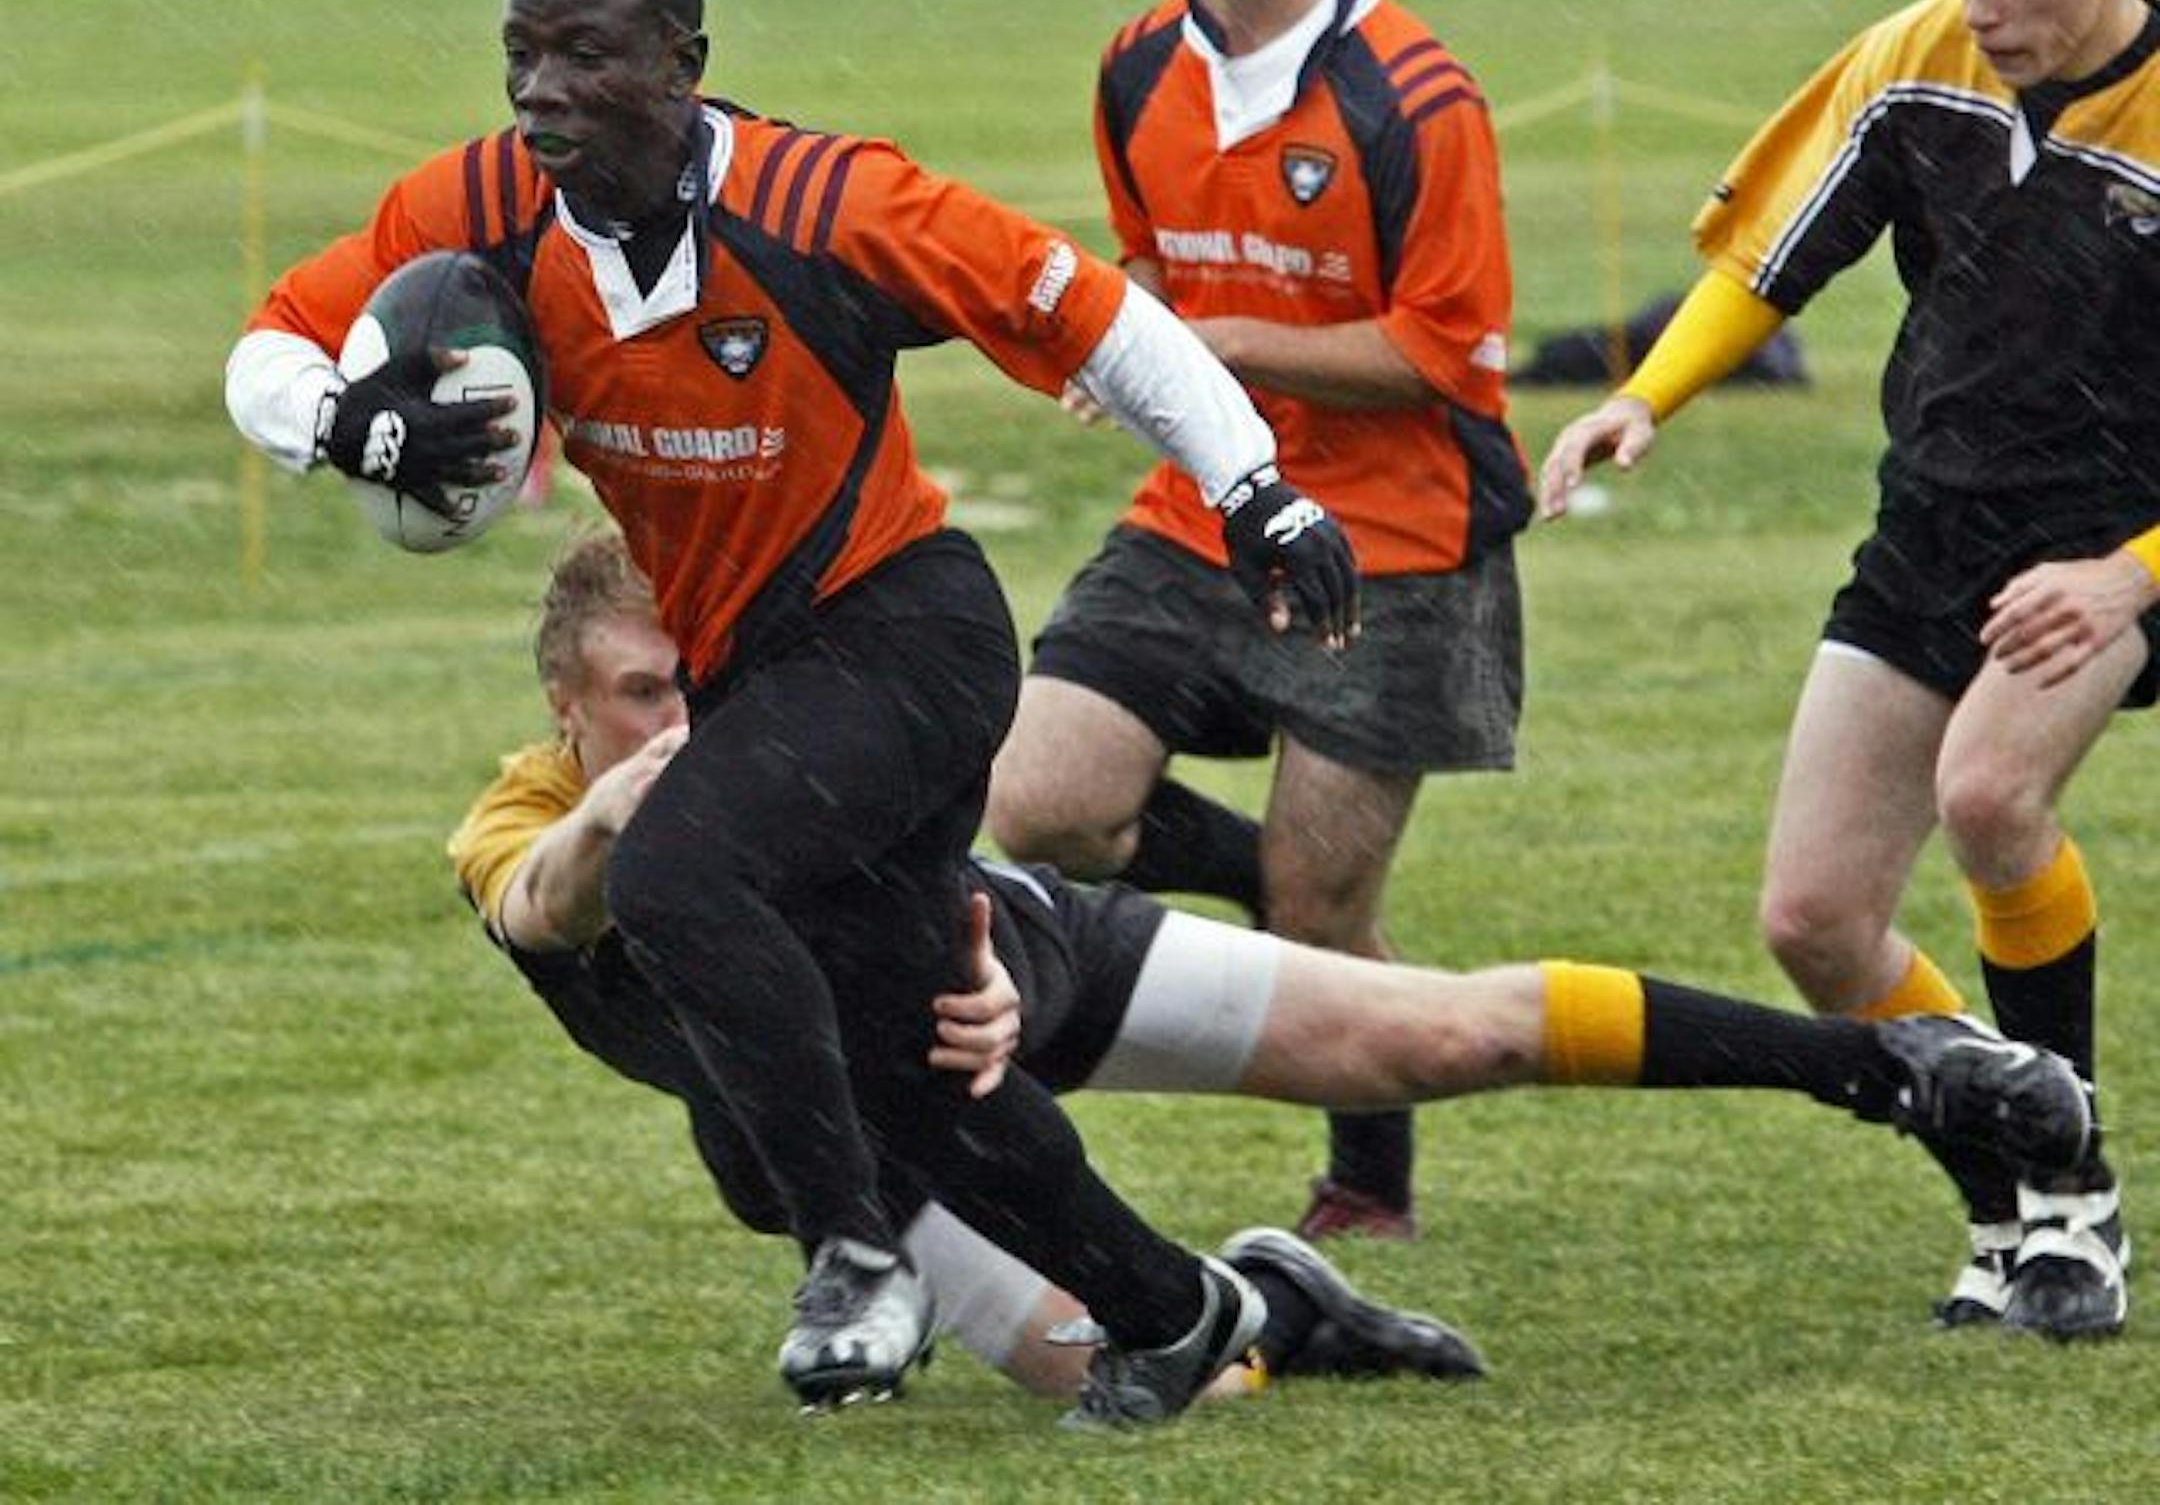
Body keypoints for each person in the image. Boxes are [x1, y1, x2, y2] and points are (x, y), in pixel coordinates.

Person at [224, 0, 1361, 1428]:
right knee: (914, 1070)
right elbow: (270, 344)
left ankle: (853, 1252)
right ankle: (1177, 1309)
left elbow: (1100, 321)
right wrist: (345, 421)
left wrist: (1256, 490)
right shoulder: (487, 205)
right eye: (519, 55)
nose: (539, 92)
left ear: (684, 64)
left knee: (681, 877)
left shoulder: (830, 202)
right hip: (763, 669)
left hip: (908, 630)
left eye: (584, 55)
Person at [446, 529, 2095, 1395]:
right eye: (650, 692)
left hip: (1014, 975)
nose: (690, 720)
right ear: (567, 706)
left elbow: (946, 878)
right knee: (1127, 1375)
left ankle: (1904, 1066)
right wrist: (616, 820)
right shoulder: (528, 816)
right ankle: (1281, 1299)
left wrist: (988, 971)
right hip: (893, 1150)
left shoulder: (799, 747)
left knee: (1446, 1035)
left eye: (709, 680)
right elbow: (536, 903)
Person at [1537, 0, 2155, 1340]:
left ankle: (2077, 1198)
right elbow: (1767, 261)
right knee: (1814, 916)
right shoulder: (1916, 61)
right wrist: (1643, 396)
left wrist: (2128, 573)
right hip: (1934, 527)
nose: (1982, 5)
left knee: (1992, 794)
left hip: (2112, 546)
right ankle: (2004, 1187)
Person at [986, 0, 1527, 1244]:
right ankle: (1268, 882)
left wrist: (1211, 339)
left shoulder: (1416, 95)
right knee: (1035, 799)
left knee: (1327, 910)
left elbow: (1441, 357)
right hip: (1203, 507)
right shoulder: (1133, 67)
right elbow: (1150, 272)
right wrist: (1125, 342)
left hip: (1397, 540)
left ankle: (1371, 1183)